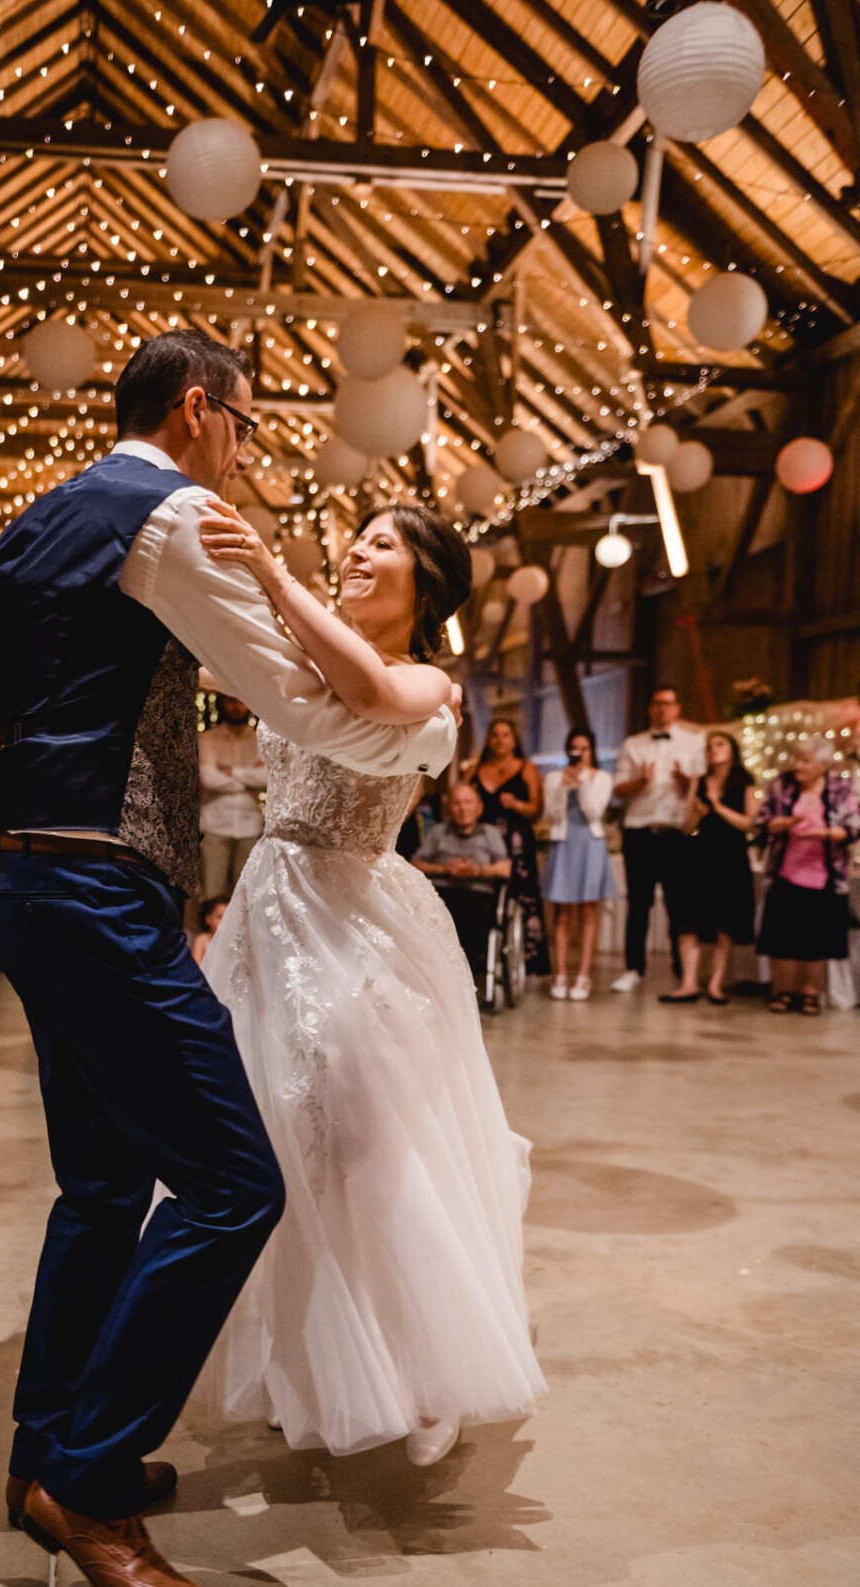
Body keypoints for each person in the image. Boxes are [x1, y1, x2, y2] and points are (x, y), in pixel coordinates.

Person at [0, 327, 455, 1587]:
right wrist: (419, 709)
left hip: (23, 880)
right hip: (98, 888)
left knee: (101, 1183)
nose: (246, 450)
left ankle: (41, 1452)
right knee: (236, 1184)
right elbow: (295, 708)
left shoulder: (36, 522)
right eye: (245, 424)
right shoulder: (175, 515)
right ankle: (87, 1480)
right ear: (200, 413)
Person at [195, 496, 545, 1468]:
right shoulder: (311, 657)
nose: (357, 548)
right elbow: (219, 658)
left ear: (425, 581)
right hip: (269, 908)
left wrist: (271, 572)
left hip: (355, 913)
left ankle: (429, 1367)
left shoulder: (430, 679)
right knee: (273, 1143)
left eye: (381, 542)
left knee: (367, 1143)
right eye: (361, 535)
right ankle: (313, 1367)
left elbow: (372, 693)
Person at [611, 685, 706, 992]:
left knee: (678, 904)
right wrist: (641, 781)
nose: (662, 709)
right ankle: (633, 968)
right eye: (657, 703)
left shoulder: (694, 742)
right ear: (650, 708)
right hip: (640, 830)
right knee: (638, 903)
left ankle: (683, 971)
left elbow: (702, 788)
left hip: (677, 833)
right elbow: (618, 789)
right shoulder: (633, 744)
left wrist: (685, 782)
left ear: (677, 708)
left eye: (668, 703)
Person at [756, 740, 859, 1015]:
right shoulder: (782, 785)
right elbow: (763, 819)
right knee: (784, 937)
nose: (798, 766)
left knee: (817, 939)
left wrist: (823, 833)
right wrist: (780, 824)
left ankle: (810, 993)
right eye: (797, 759)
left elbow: (852, 827)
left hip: (825, 875)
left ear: (823, 765)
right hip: (785, 871)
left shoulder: (841, 788)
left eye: (806, 761)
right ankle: (783, 991)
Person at [661, 730, 759, 1006]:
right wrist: (699, 813)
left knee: (723, 924)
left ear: (732, 750)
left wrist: (717, 805)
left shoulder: (744, 782)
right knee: (689, 920)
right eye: (709, 746)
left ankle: (716, 983)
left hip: (729, 858)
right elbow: (686, 827)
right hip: (698, 857)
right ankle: (688, 982)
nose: (713, 750)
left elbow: (751, 824)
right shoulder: (699, 781)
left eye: (719, 745)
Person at [468, 717, 550, 976]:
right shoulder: (475, 769)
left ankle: (526, 958)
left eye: (505, 734)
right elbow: (457, 800)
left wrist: (516, 804)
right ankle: (480, 953)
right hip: (483, 844)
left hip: (516, 844)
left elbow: (537, 811)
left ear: (514, 740)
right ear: (488, 740)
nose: (500, 739)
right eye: (495, 735)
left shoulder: (527, 769)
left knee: (521, 896)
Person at [541, 728, 616, 1001]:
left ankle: (583, 974)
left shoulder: (603, 778)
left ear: (591, 750)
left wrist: (582, 783)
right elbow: (552, 814)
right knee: (562, 911)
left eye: (584, 748)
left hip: (590, 845)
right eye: (575, 747)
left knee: (589, 910)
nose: (579, 753)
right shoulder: (552, 778)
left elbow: (595, 811)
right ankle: (560, 972)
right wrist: (564, 785)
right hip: (565, 842)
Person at [412, 780, 511, 977]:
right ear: (450, 808)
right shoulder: (439, 831)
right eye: (457, 803)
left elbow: (505, 869)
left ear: (479, 808)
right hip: (441, 893)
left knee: (475, 916)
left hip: (477, 894)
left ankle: (466, 974)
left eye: (468, 802)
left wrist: (475, 871)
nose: (462, 808)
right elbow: (415, 863)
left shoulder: (490, 833)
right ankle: (435, 974)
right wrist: (445, 869)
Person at [198, 694, 267, 897]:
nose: (237, 707)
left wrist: (231, 772)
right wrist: (249, 777)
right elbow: (209, 778)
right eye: (231, 701)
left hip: (250, 826)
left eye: (241, 700)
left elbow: (267, 779)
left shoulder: (259, 739)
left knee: (246, 895)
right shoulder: (208, 738)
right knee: (212, 895)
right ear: (222, 703)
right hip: (214, 826)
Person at [192, 894, 228, 965]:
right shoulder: (202, 939)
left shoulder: (231, 939)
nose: (224, 921)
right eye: (220, 917)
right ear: (208, 919)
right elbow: (196, 964)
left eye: (228, 917)